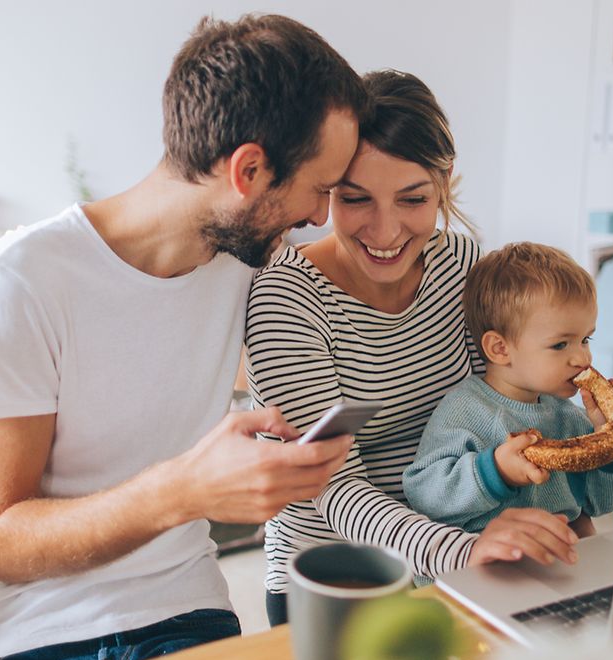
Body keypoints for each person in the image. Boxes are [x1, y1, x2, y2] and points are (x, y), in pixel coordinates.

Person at [0, 15, 370, 660]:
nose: (319, 217)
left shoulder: (252, 261)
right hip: (35, 626)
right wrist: (181, 491)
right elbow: (1, 544)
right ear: (249, 170)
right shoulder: (22, 281)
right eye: (317, 190)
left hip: (182, 608)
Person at [245, 70, 580, 627]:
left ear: (444, 183)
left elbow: (500, 410)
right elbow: (336, 488)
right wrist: (462, 551)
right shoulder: (287, 297)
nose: (385, 230)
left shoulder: (462, 265)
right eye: (355, 199)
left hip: (470, 548)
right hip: (339, 574)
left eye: (413, 198)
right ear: (328, 190)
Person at [402, 242, 613, 537]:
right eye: (560, 344)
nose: (583, 358)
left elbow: (601, 502)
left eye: (586, 340)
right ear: (500, 349)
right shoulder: (464, 410)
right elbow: (424, 495)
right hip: (479, 565)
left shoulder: (569, 418)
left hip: (556, 562)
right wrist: (496, 471)